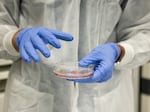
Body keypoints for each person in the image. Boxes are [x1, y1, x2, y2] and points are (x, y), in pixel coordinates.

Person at [0, 0, 150, 112]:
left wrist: (120, 51)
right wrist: (14, 39)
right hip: (34, 96)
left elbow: (144, 28)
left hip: (107, 99)